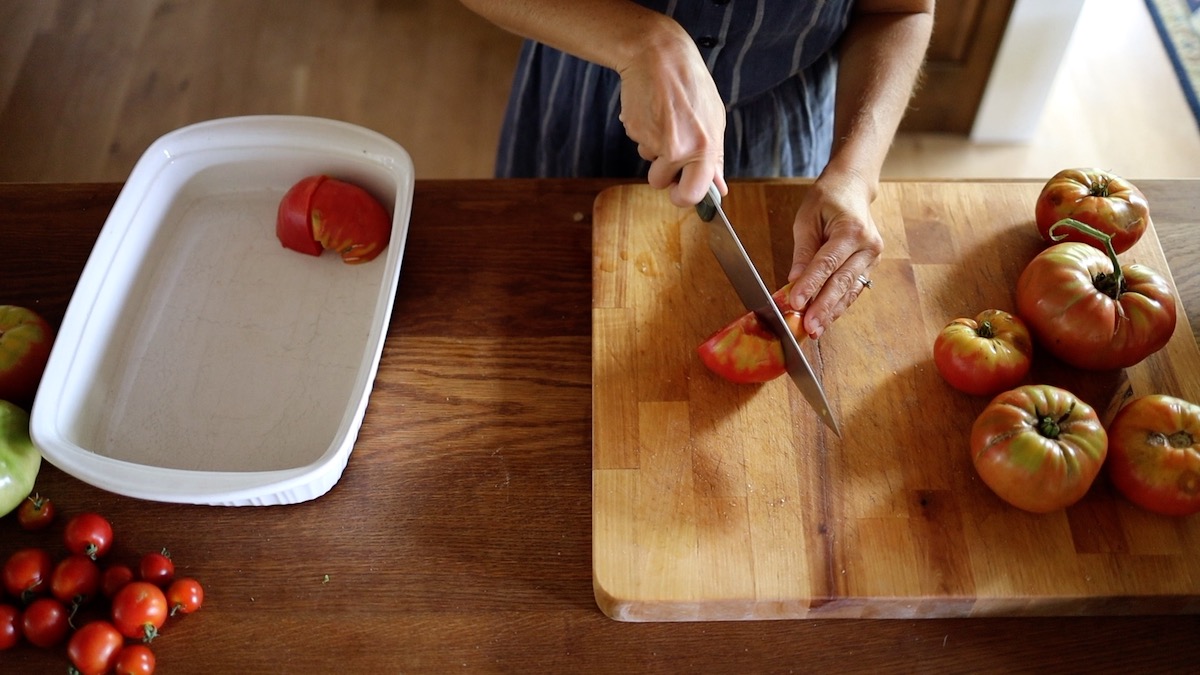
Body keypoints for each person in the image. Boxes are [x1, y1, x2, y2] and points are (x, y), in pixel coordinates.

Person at [460, 1, 934, 340]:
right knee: (539, 321)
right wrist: (642, 39)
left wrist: (854, 171)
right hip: (581, 102)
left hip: (778, 133)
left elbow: (899, 9)